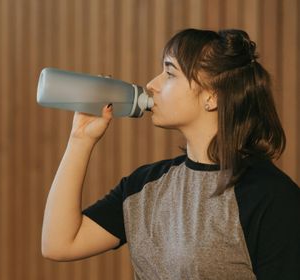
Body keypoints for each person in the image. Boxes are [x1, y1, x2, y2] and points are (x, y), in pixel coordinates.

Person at [41, 28, 300, 279]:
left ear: (212, 96)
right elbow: (59, 244)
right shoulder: (145, 186)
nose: (152, 85)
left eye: (170, 73)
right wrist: (80, 140)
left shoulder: (269, 196)